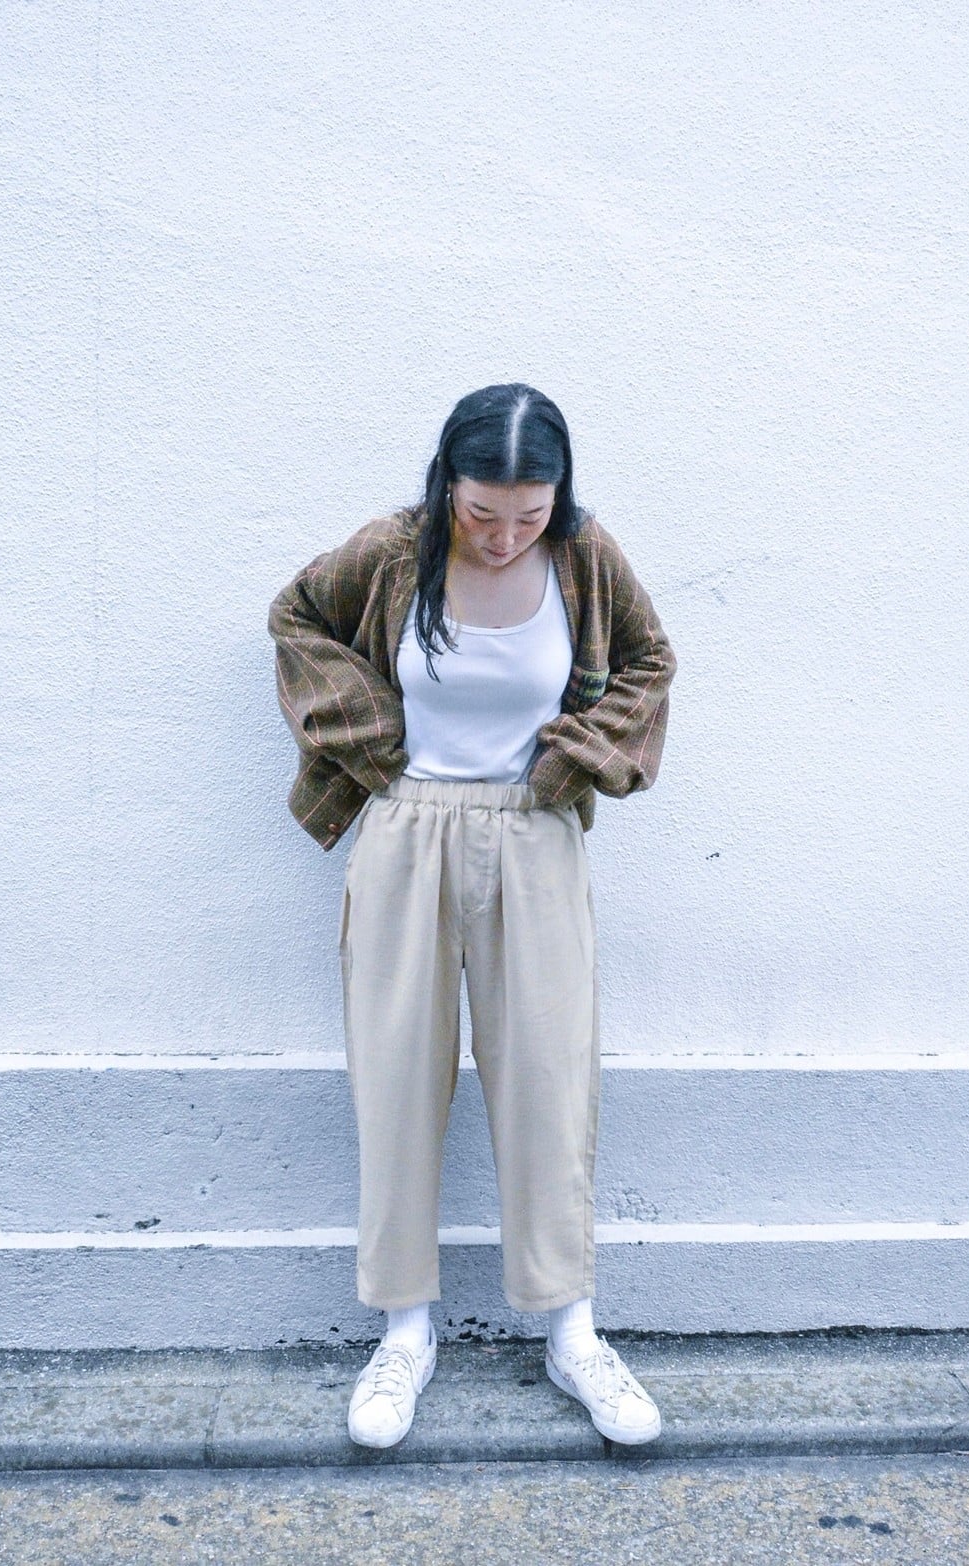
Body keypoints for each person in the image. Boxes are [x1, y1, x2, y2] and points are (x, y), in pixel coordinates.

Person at [268, 383, 676, 1449]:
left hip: (534, 834)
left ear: (558, 496)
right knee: (396, 1077)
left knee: (549, 1078)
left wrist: (578, 756)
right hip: (405, 829)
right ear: (448, 483)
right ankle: (406, 1332)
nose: (502, 538)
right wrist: (369, 733)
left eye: (527, 514)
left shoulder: (584, 559)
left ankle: (571, 1331)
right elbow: (296, 616)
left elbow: (649, 662)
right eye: (481, 511)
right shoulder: (392, 552)